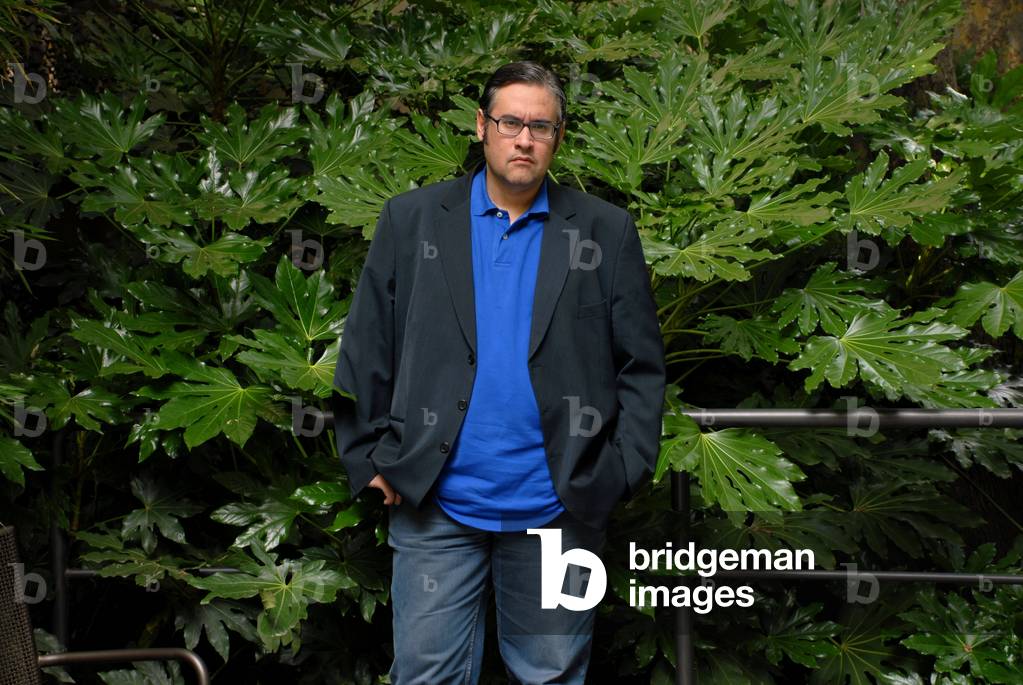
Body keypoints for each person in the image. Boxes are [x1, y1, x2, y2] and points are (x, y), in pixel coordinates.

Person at [333, 60, 665, 685]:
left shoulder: (604, 230)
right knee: (426, 676)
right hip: (434, 501)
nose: (524, 138)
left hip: (558, 506)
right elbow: (367, 345)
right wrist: (367, 458)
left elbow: (641, 366)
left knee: (552, 674)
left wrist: (619, 469)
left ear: (557, 137)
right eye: (510, 122)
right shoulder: (413, 220)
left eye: (541, 126)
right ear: (482, 127)